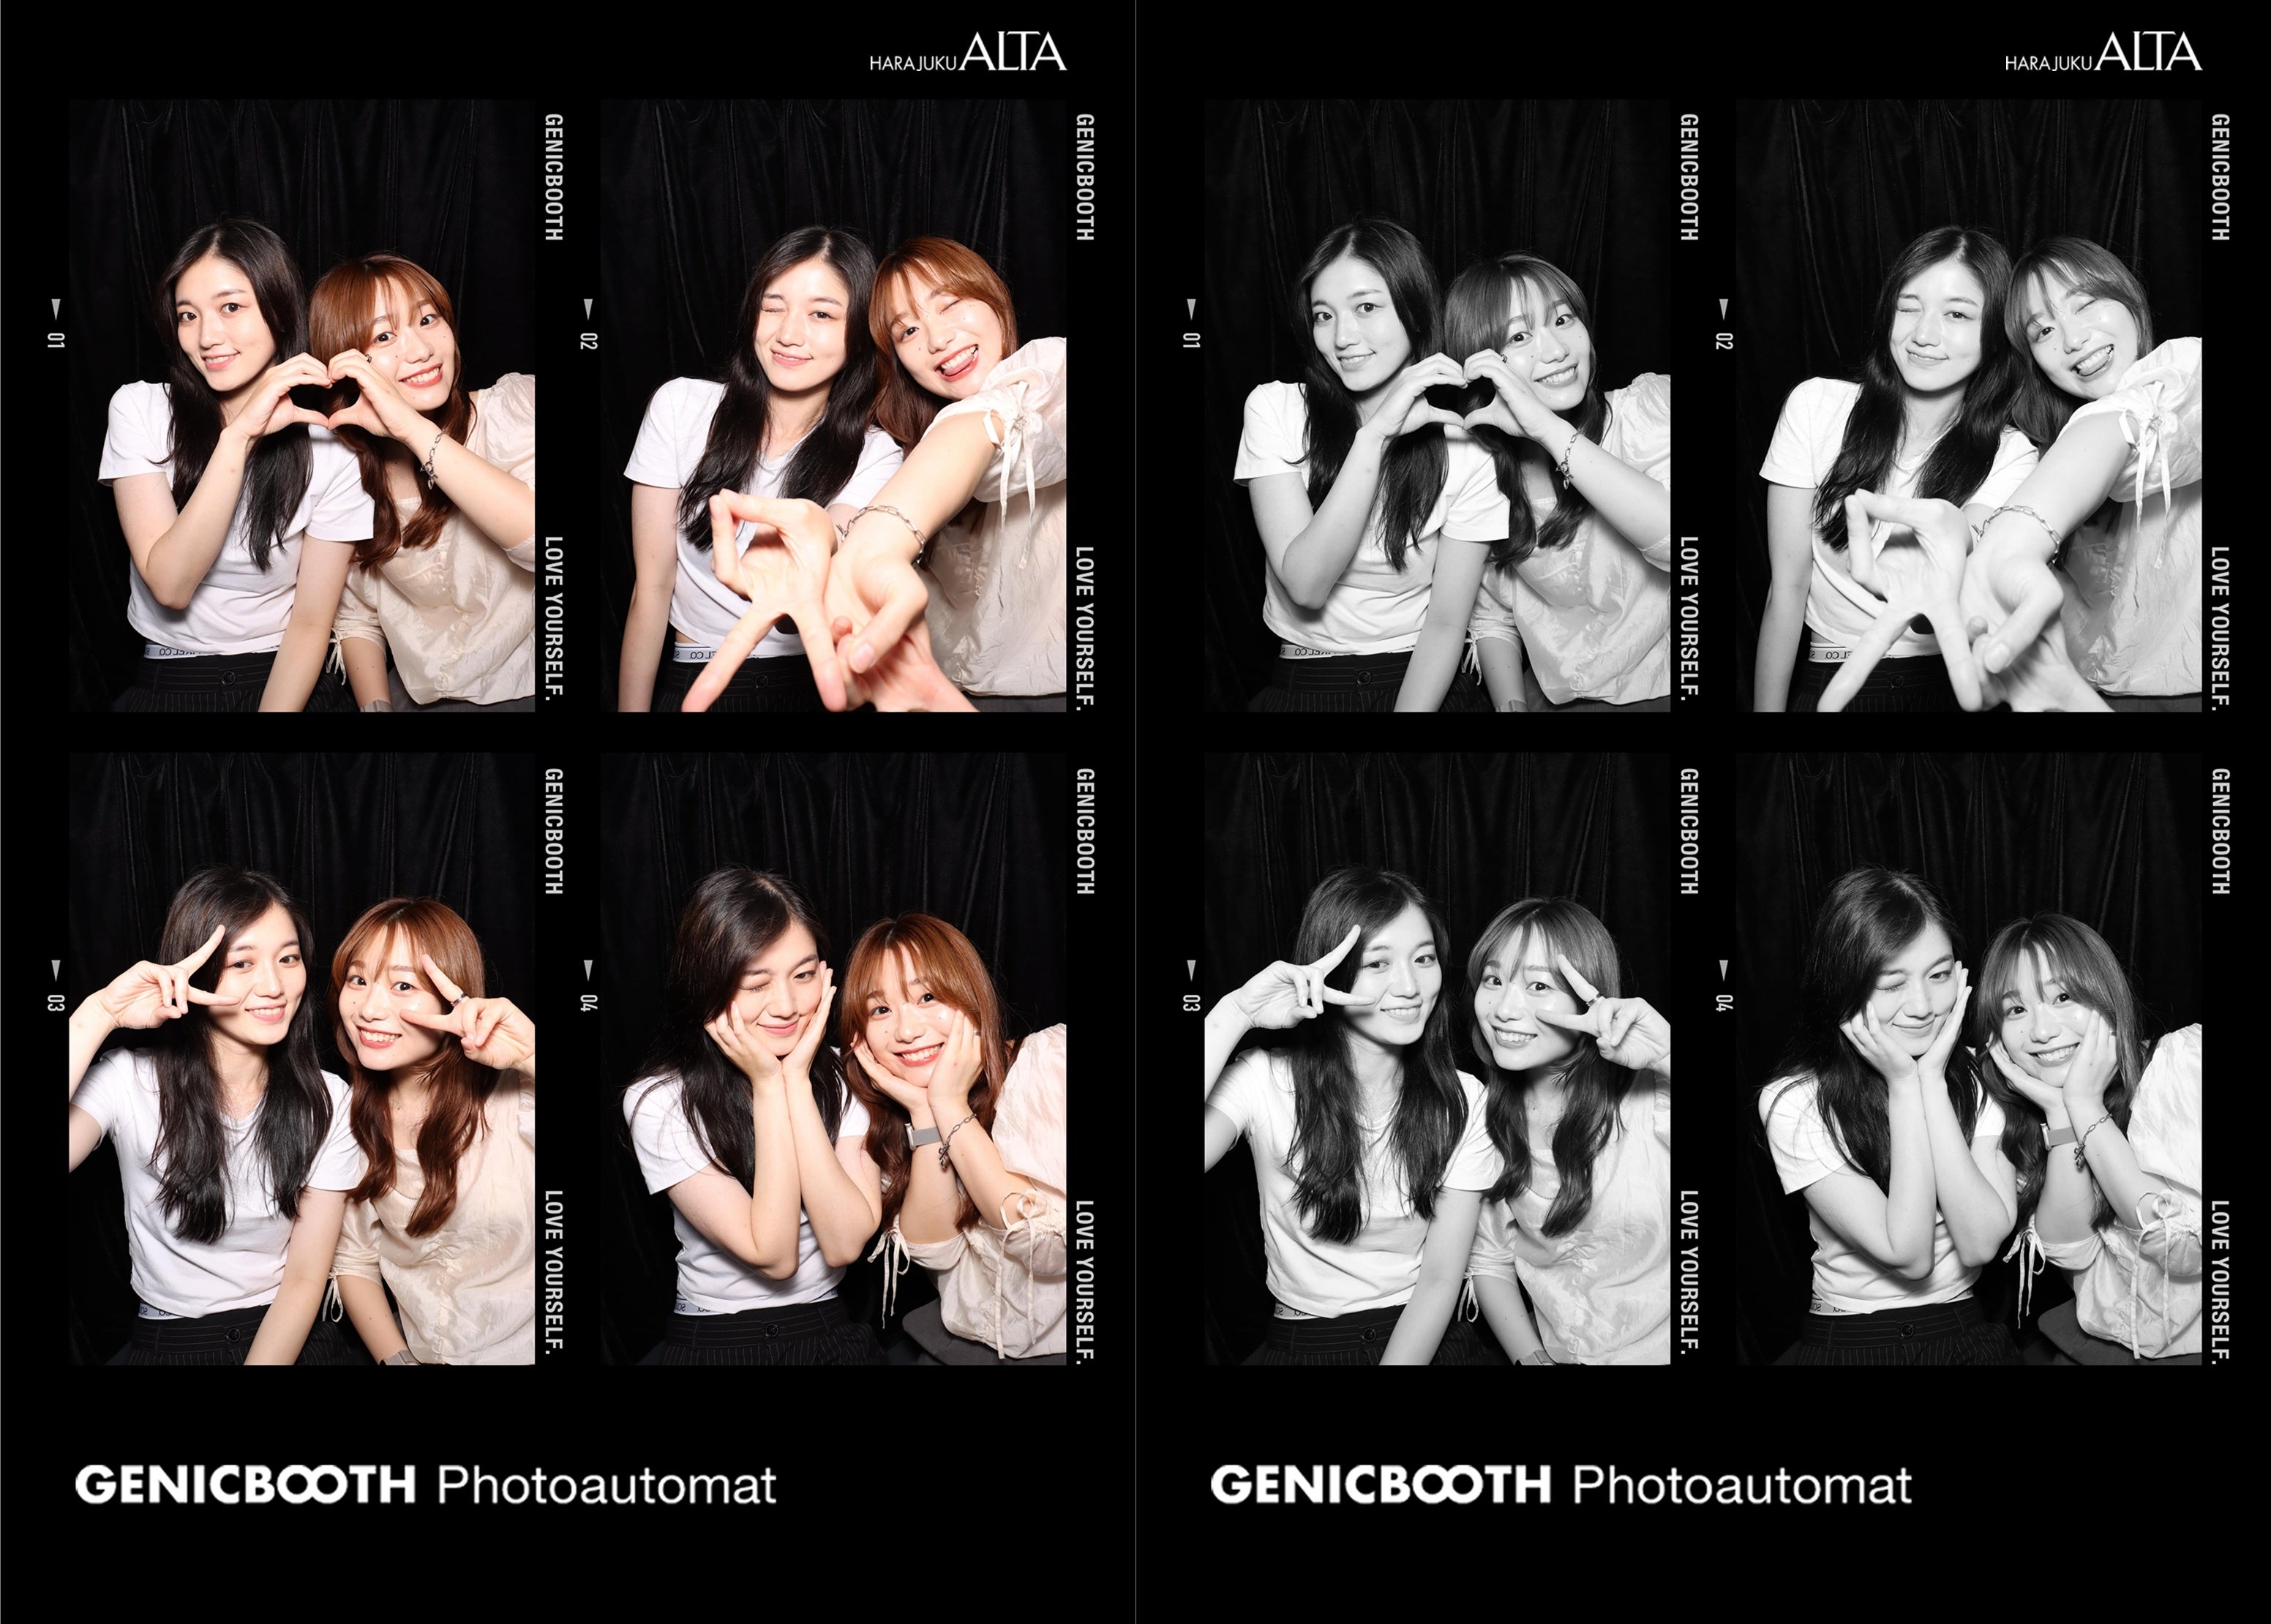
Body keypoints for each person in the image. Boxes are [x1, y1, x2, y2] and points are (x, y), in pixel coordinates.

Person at [1204, 868, 1501, 1363]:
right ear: (1330, 972)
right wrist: (1235, 1014)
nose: (1409, 986)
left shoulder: (1464, 1098)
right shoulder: (1263, 1080)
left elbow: (1441, 1279)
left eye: (1424, 958)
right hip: (1305, 1344)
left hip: (1424, 1338)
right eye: (1377, 963)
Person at [67, 868, 361, 1363]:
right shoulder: (127, 1080)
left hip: (288, 1335)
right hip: (170, 1342)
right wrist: (99, 1014)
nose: (273, 985)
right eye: (241, 962)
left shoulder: (328, 1098)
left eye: (288, 958)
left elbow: (305, 1279)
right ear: (193, 970)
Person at [1753, 226, 2040, 711]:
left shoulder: (2013, 454)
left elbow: (1967, 552)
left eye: (1957, 314)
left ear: (1995, 334)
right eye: (1909, 307)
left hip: (1950, 688)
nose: (1923, 335)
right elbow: (1787, 587)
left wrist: (1958, 542)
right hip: (1831, 677)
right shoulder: (1816, 407)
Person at [620, 228, 904, 711]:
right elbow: (651, 587)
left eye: (821, 314)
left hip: (815, 687)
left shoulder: (877, 452)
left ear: (859, 333)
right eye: (773, 307)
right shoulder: (680, 407)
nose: (788, 334)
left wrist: (823, 538)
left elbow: (836, 533)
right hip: (696, 674)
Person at [100, 217, 372, 710]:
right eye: (188, 315)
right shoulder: (139, 409)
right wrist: (239, 437)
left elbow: (311, 624)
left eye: (231, 307)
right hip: (169, 681)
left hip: (284, 681)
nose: (207, 336)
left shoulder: (334, 449)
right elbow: (170, 585)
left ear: (279, 311)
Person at [1757, 866, 2021, 1364]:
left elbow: (1981, 1243)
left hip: (1964, 1330)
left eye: (1939, 975)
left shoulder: (1982, 1074)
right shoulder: (1796, 1100)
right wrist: (1904, 1086)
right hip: (1851, 1341)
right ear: (1845, 986)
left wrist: (1932, 1081)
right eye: (1891, 983)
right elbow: (1909, 1254)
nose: (1921, 1006)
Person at [1235, 218, 1497, 710]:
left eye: (1367, 307)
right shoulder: (1276, 409)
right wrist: (1374, 438)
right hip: (1305, 683)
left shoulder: (1469, 449)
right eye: (1323, 315)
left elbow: (1446, 624)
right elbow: (1306, 585)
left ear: (1415, 312)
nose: (1342, 337)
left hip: (1423, 684)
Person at [623, 870, 884, 1364]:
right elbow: (774, 1255)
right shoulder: (660, 1099)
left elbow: (845, 1243)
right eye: (755, 983)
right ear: (708, 986)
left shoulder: (849, 1073)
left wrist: (796, 1081)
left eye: (803, 976)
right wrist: (768, 1085)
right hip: (715, 1339)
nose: (785, 1006)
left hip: (828, 1327)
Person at [1397, 255, 1673, 712]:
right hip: (1555, 703)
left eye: (1563, 320)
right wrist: (1513, 705)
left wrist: (1546, 429)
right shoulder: (1480, 470)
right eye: (1520, 336)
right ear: (1480, 363)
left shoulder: (1647, 410)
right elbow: (1493, 617)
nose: (1557, 349)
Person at [1967, 236, 2200, 710]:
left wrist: (2013, 542)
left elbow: (2131, 420)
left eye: (2087, 304)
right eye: (2043, 331)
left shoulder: (2187, 369)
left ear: (2128, 298)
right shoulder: (2041, 452)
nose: (2072, 340)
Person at [310, 254, 536, 711]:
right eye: (385, 336)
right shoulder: (342, 471)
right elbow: (357, 619)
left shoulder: (513, 408)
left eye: (428, 319)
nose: (420, 350)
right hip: (417, 702)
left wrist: (411, 429)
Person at [1972, 913, 2201, 1361]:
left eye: (2063, 997)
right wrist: (2063, 1112)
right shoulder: (2024, 1119)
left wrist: (2085, 1105)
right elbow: (2072, 1254)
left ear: (2105, 995)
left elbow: (2185, 1249)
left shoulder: (2181, 1065)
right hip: (2102, 1351)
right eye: (2016, 1010)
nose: (2042, 1031)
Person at [849, 914, 1066, 1361]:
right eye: (881, 1010)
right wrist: (926, 1112)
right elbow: (938, 1254)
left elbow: (1049, 1249)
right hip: (959, 1350)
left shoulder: (1046, 1062)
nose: (907, 1031)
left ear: (970, 995)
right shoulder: (887, 1117)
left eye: (927, 997)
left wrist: (950, 1105)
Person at [1461, 900, 1671, 1363]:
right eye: (1493, 980)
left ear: (1589, 999)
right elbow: (1489, 1258)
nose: (1504, 1009)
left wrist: (1669, 1057)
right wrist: (1532, 1358)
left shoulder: (1654, 1097)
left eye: (1539, 985)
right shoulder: (1482, 1116)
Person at [328, 899, 536, 1364]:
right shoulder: (345, 1118)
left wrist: (531, 1056)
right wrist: (397, 1360)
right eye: (358, 980)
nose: (369, 1009)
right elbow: (354, 1259)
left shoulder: (518, 1096)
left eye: (403, 985)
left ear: (453, 998)